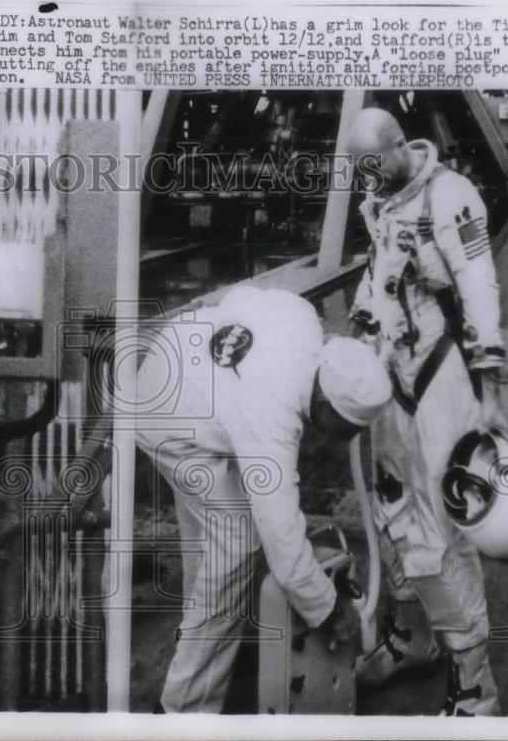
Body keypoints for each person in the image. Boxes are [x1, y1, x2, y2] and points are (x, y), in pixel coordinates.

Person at [135, 285, 392, 714]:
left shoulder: (301, 318)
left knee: (210, 550)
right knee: (237, 546)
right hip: (167, 421)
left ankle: (200, 642)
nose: (341, 441)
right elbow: (284, 546)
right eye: (343, 430)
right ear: (324, 404)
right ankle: (183, 712)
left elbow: (233, 299)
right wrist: (331, 610)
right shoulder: (273, 420)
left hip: (178, 365)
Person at [345, 107, 506, 716]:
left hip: (441, 373)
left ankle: (476, 686)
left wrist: (489, 373)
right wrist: (358, 336)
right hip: (393, 370)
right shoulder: (381, 194)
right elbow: (377, 272)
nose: (365, 176)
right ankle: (414, 637)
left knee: (446, 520)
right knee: (393, 503)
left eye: (371, 163)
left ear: (393, 149)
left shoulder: (450, 194)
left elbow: (478, 281)